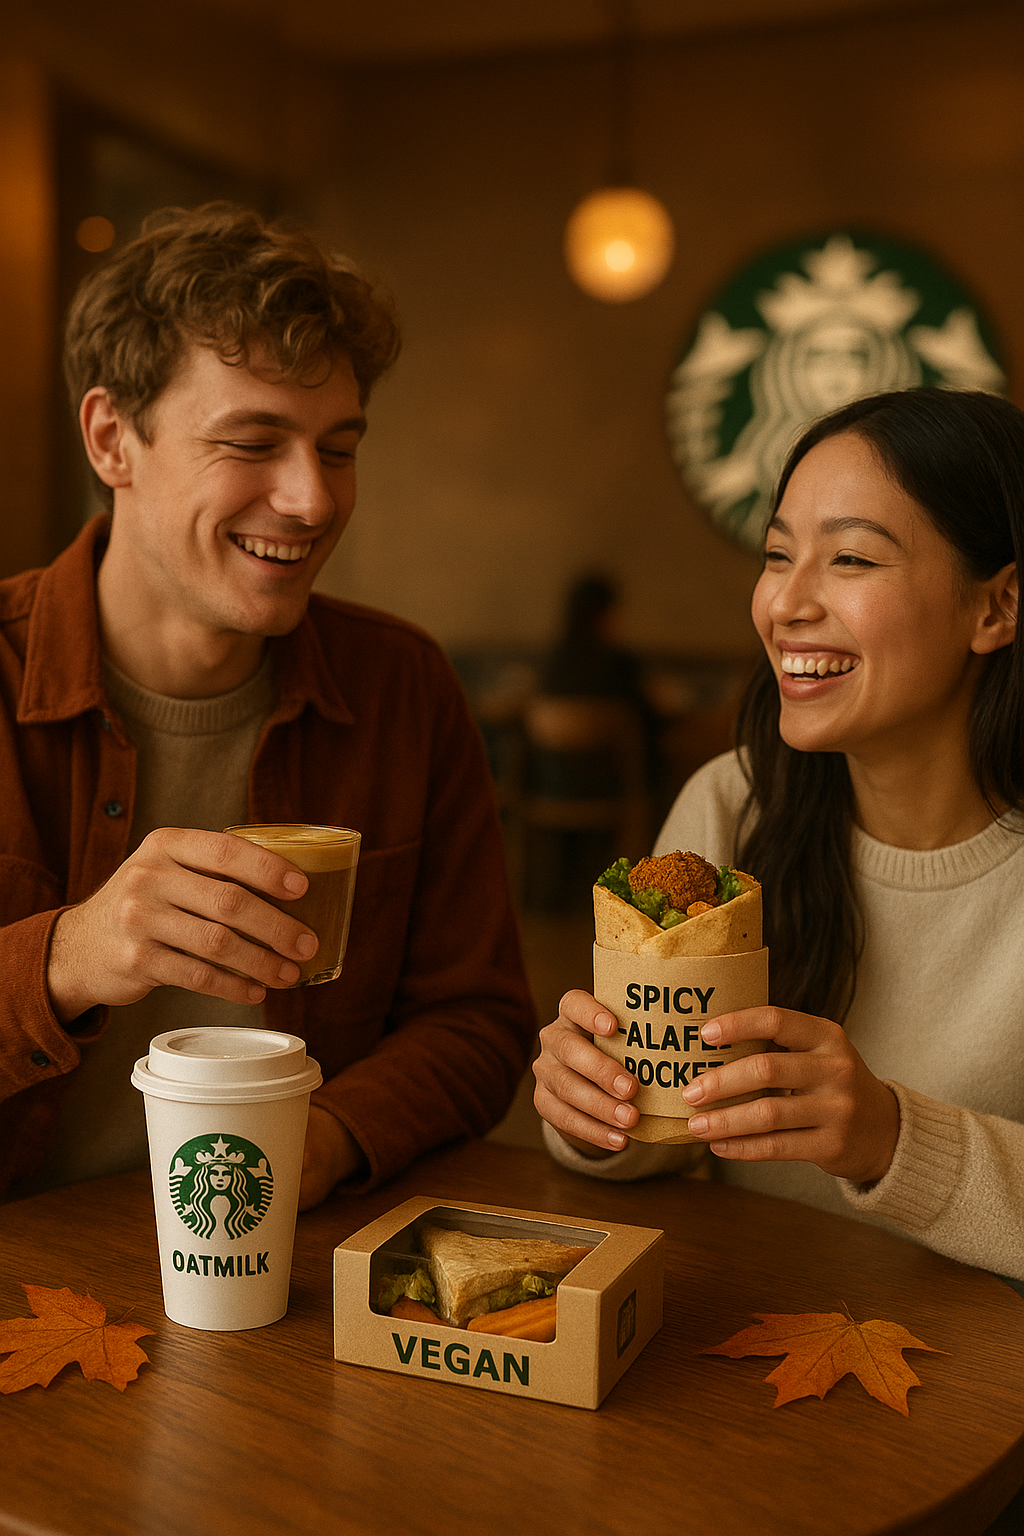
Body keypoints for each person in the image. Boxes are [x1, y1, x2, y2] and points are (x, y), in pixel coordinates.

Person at [0, 202, 535, 1207]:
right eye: (253, 442)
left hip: (293, 1262)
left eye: (337, 449)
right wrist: (67, 956)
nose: (312, 500)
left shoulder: (401, 687)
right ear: (112, 440)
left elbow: (478, 1021)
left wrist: (322, 1140)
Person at [534, 387, 1024, 1288]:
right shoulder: (731, 809)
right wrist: (598, 1111)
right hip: (751, 1335)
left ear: (997, 606)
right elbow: (668, 1134)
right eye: (776, 556)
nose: (784, 604)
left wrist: (891, 1139)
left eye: (850, 558)